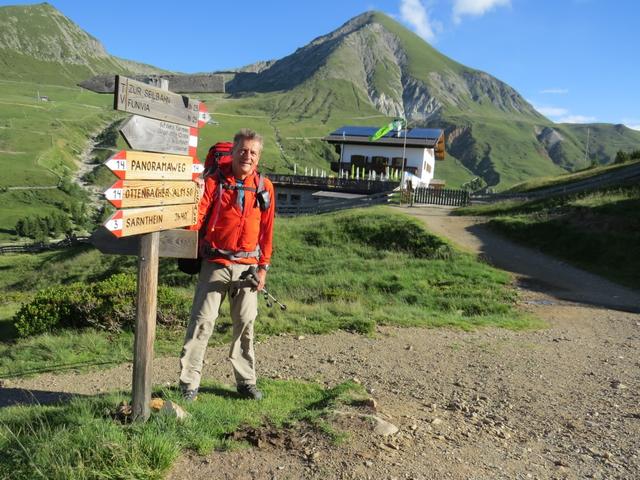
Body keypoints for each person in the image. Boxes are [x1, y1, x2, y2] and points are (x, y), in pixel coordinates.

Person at [179, 129, 275, 401]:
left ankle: (246, 382)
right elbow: (195, 219)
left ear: (259, 156)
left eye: (253, 152)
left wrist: (263, 267)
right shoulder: (213, 182)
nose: (247, 156)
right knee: (202, 322)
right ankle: (188, 384)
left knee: (245, 324)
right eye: (243, 150)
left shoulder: (264, 187)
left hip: (249, 267)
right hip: (215, 262)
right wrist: (192, 202)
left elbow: (267, 230)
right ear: (233, 152)